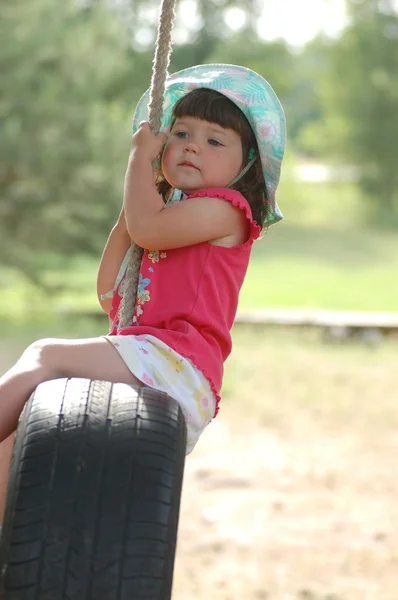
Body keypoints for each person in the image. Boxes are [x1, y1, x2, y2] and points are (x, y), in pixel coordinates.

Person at [0, 64, 286, 514]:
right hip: (152, 358)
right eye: (181, 133)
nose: (192, 145)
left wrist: (138, 162)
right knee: (19, 442)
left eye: (214, 141)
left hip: (179, 364)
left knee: (44, 355)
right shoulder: (170, 217)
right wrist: (131, 212)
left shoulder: (229, 210)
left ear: (246, 163)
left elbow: (149, 228)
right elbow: (111, 295)